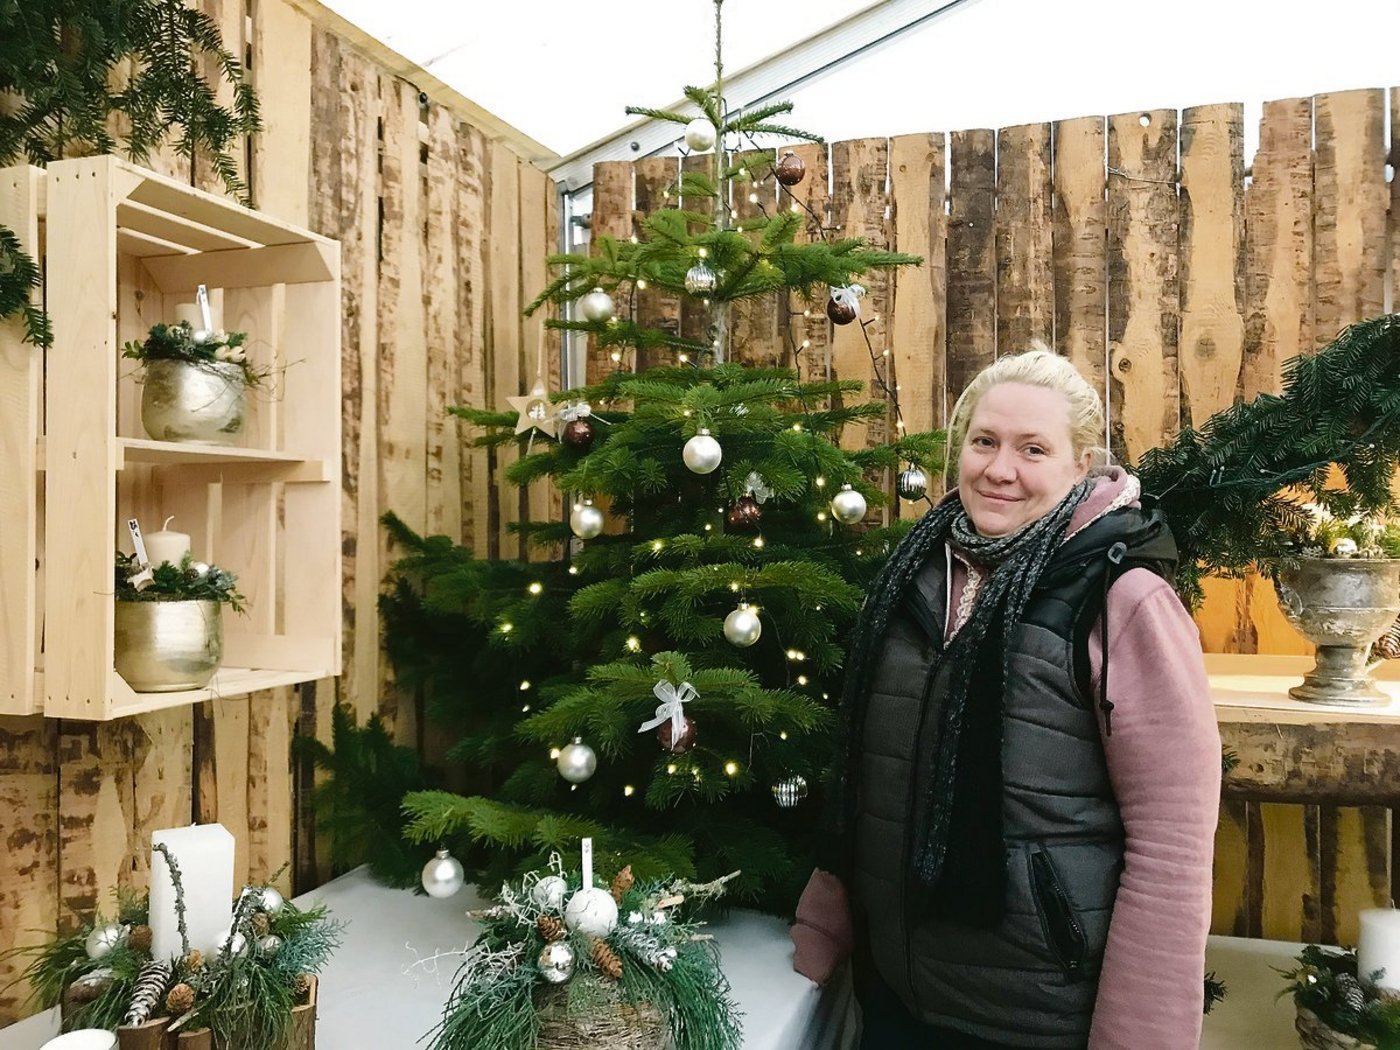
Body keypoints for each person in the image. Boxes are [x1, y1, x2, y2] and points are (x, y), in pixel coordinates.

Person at [790, 348, 1221, 1049]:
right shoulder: (912, 578)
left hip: (1035, 1020)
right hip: (897, 999)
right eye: (984, 441)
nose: (999, 469)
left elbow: (1171, 850)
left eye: (1033, 449)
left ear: (1082, 466)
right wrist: (823, 924)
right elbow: (869, 780)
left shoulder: (1123, 601)